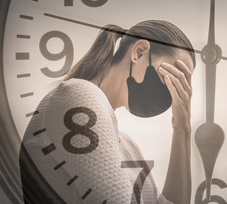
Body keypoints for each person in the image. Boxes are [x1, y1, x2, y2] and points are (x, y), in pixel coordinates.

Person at [19, 20, 196, 204]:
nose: (174, 91)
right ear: (139, 52)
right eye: (174, 76)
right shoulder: (78, 93)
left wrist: (182, 126)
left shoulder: (129, 146)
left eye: (183, 85)